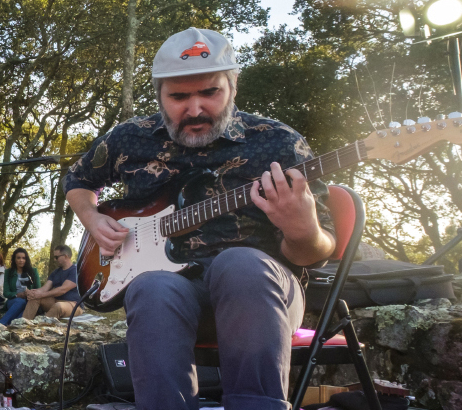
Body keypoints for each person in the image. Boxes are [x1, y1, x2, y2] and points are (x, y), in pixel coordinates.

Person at [63, 28, 337, 409]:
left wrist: (302, 228)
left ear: (233, 85)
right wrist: (92, 218)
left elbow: (317, 253)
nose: (195, 109)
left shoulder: (278, 142)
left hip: (258, 298)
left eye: (210, 92)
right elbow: (77, 179)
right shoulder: (129, 139)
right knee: (153, 287)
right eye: (178, 96)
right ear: (159, 93)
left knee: (239, 264)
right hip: (170, 298)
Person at [18, 245, 82, 320]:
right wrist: (33, 293)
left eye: (56, 257)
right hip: (56, 301)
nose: (55, 260)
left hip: (73, 304)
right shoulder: (55, 272)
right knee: (34, 298)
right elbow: (45, 288)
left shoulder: (75, 271)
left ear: (65, 256)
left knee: (58, 306)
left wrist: (41, 294)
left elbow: (62, 290)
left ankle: (40, 327)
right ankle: (24, 324)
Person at [0, 248, 41, 326]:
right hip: (14, 301)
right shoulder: (9, 272)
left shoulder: (33, 271)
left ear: (26, 259)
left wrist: (29, 293)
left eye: (23, 258)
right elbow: (6, 293)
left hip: (29, 301)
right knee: (20, 301)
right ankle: (0, 324)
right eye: (18, 258)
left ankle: (12, 326)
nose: (21, 260)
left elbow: (38, 289)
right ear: (14, 259)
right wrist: (18, 295)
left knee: (27, 306)